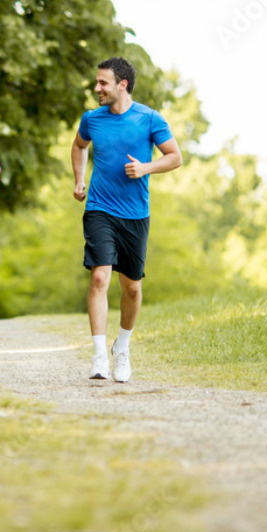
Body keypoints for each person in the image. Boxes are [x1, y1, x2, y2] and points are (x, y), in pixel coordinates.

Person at [71, 57, 182, 382]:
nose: (97, 88)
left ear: (123, 84)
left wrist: (146, 168)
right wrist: (79, 179)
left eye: (103, 83)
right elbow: (79, 147)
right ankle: (99, 356)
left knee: (131, 287)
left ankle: (123, 347)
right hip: (99, 208)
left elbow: (175, 156)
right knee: (99, 278)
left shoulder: (149, 118)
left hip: (135, 213)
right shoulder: (92, 119)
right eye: (97, 82)